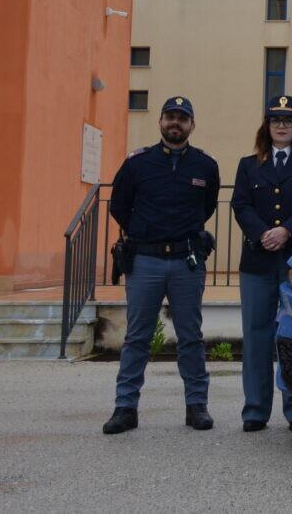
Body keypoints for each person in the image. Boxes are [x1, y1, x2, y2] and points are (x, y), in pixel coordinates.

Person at [102, 96, 221, 435]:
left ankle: (196, 406)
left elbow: (207, 206)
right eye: (170, 117)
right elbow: (120, 206)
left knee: (190, 338)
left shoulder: (205, 166)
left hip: (187, 262)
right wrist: (144, 232)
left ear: (192, 125)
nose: (175, 123)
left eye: (182, 118)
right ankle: (125, 408)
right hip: (146, 261)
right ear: (160, 122)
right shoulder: (138, 163)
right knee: (137, 337)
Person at [231, 95, 292, 433]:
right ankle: (255, 410)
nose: (281, 126)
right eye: (275, 121)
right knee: (256, 336)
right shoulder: (248, 164)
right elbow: (240, 205)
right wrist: (263, 234)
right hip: (257, 262)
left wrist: (286, 231)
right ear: (267, 126)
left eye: (288, 121)